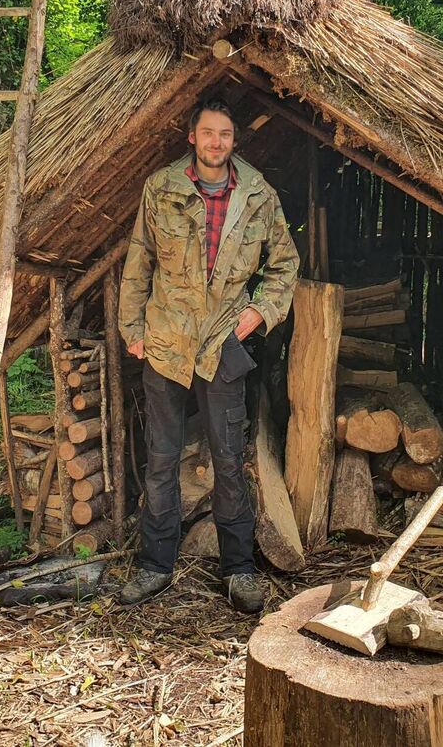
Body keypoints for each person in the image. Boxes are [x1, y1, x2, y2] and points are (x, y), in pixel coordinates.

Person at [116, 99, 299, 611]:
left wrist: (259, 312)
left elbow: (285, 264)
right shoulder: (162, 187)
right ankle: (155, 567)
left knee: (228, 458)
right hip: (166, 342)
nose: (216, 142)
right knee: (161, 458)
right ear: (191, 137)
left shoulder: (258, 194)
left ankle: (238, 570)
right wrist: (132, 328)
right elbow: (140, 259)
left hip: (222, 343)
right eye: (208, 133)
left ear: (234, 140)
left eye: (225, 134)